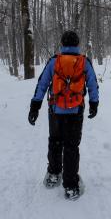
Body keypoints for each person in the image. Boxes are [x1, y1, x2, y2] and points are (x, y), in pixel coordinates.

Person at [28, 30, 99, 200]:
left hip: (55, 111)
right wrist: (93, 104)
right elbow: (93, 85)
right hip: (76, 111)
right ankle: (71, 185)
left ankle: (53, 175)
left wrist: (34, 107)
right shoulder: (84, 62)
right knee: (71, 146)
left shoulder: (54, 61)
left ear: (62, 43)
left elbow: (42, 84)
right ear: (77, 44)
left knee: (55, 141)